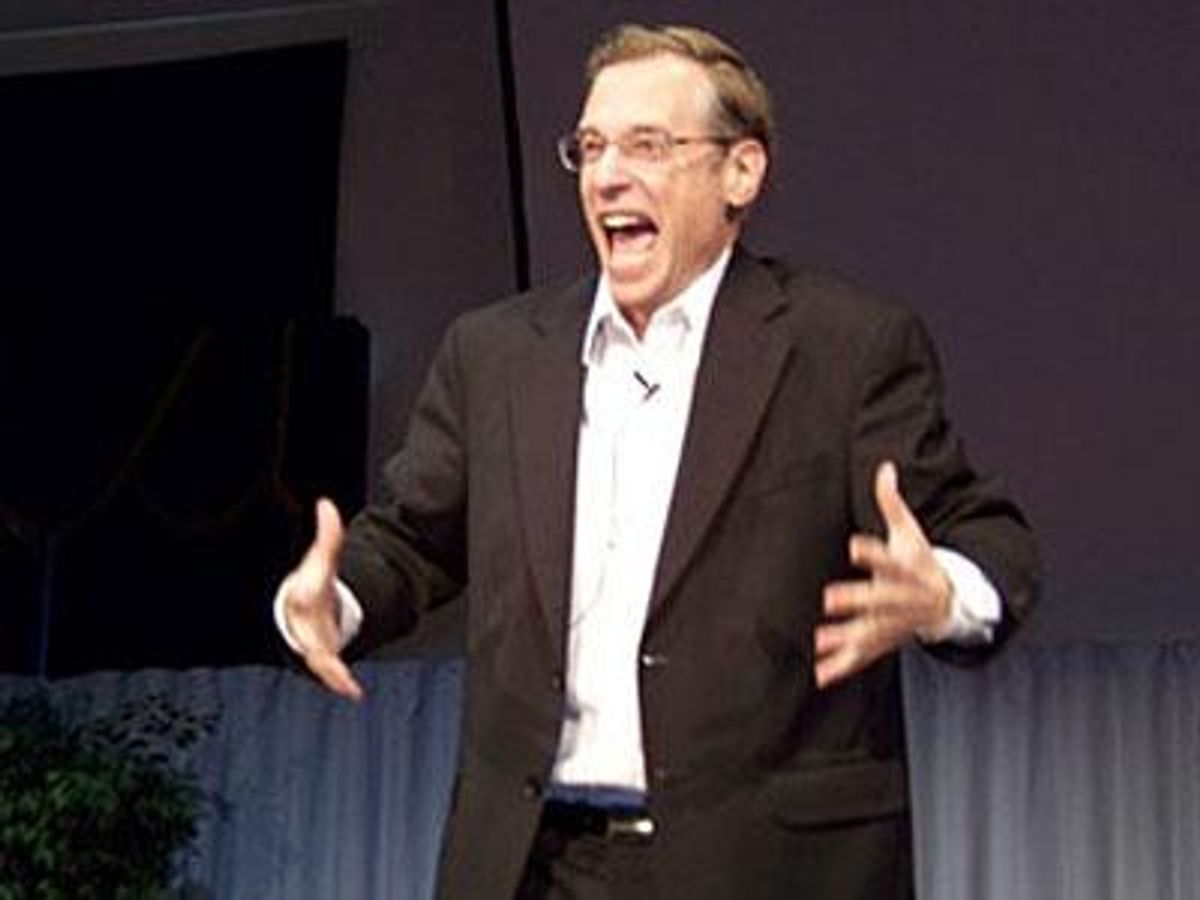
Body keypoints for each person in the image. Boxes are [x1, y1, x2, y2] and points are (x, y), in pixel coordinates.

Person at [276, 22, 1038, 900]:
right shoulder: (495, 353)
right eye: (591, 147)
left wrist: (943, 594)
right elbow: (413, 538)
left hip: (765, 867)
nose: (606, 176)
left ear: (740, 172)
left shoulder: (844, 346)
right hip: (529, 863)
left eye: (647, 146)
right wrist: (333, 603)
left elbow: (988, 538)